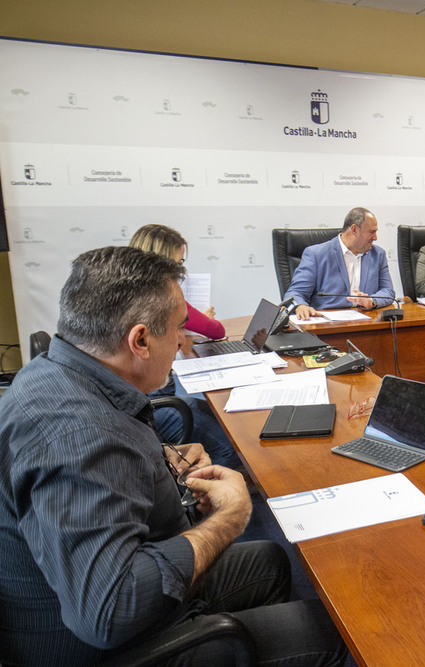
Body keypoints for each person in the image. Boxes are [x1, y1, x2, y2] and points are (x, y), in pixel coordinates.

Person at [0, 246, 347, 665]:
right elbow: (110, 612)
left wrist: (158, 461)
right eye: (179, 329)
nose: (183, 339)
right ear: (141, 339)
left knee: (271, 560)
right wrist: (229, 519)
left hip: (108, 586)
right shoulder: (81, 436)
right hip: (106, 645)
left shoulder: (57, 372)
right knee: (332, 634)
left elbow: (105, 465)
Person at [129, 224, 240, 470]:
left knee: (220, 417)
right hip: (148, 406)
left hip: (149, 397)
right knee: (230, 446)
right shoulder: (159, 296)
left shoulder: (130, 291)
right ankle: (210, 500)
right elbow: (215, 330)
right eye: (178, 263)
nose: (181, 270)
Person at [284, 207, 395, 320]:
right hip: (327, 327)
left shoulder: (378, 254)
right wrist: (301, 306)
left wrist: (371, 301)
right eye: (372, 232)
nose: (375, 237)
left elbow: (388, 291)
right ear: (354, 230)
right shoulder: (316, 254)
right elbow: (295, 293)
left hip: (366, 322)